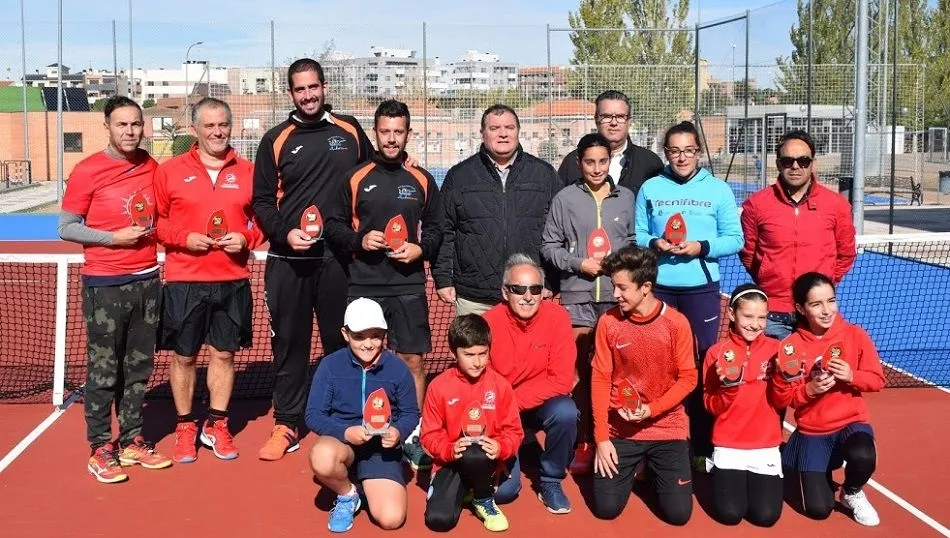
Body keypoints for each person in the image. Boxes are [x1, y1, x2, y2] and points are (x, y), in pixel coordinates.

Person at [252, 58, 373, 461]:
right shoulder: (275, 139)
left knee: (342, 341)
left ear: (324, 87)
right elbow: (263, 203)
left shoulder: (350, 129)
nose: (308, 95)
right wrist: (284, 232)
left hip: (338, 258)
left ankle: (346, 417)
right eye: (300, 89)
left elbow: (371, 178)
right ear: (291, 93)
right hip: (289, 260)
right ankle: (287, 423)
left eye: (313, 87)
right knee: (291, 346)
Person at [325, 99, 443, 470]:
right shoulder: (356, 178)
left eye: (399, 132)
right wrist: (360, 240)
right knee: (366, 360)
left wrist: (420, 249)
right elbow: (333, 226)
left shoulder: (422, 179)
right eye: (385, 131)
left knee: (412, 360)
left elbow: (438, 229)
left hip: (407, 286)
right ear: (375, 133)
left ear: (408, 134)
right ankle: (363, 432)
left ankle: (411, 434)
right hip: (364, 285)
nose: (392, 139)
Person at [58, 95, 171, 483]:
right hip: (105, 284)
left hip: (147, 280)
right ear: (107, 126)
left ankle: (132, 440)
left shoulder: (151, 166)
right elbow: (67, 227)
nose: (130, 131)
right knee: (104, 370)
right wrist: (112, 238)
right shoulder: (88, 171)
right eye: (122, 124)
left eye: (136, 124)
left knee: (139, 368)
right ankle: (100, 448)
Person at [154, 97, 265, 463]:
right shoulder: (169, 171)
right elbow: (156, 222)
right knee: (184, 357)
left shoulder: (249, 171)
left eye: (223, 125)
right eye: (209, 126)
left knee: (224, 354)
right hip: (185, 280)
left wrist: (247, 239)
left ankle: (216, 424)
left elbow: (264, 219)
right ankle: (186, 425)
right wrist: (183, 238)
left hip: (232, 279)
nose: (217, 132)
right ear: (194, 131)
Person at [634, 120, 743, 470]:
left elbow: (735, 239)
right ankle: (655, 443)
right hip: (659, 288)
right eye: (674, 151)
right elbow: (637, 233)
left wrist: (701, 247)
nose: (681, 157)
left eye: (688, 150)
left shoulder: (719, 191)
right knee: (657, 366)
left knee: (699, 367)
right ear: (666, 153)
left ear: (698, 151)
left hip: (701, 290)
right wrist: (655, 243)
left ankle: (700, 446)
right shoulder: (651, 188)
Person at [541, 132, 635, 473]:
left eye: (602, 161)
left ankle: (614, 439)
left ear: (611, 162)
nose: (596, 168)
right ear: (579, 163)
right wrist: (579, 263)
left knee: (618, 371)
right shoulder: (565, 199)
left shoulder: (626, 197)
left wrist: (618, 265)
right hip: (577, 298)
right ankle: (583, 440)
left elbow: (634, 241)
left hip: (617, 298)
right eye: (589, 162)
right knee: (580, 373)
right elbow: (549, 245)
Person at [590, 245, 696, 525]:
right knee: (606, 508)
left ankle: (654, 471)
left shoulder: (677, 324)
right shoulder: (608, 323)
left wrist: (651, 409)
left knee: (678, 515)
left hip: (667, 425)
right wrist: (601, 438)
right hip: (621, 428)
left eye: (622, 288)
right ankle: (639, 467)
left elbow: (689, 378)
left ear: (646, 286)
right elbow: (600, 379)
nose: (615, 294)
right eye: (614, 286)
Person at [770, 272, 885, 527]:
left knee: (863, 455)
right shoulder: (790, 346)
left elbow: (877, 380)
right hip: (813, 431)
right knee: (819, 509)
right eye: (816, 304)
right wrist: (809, 390)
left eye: (831, 301)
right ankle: (795, 453)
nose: (826, 310)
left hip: (850, 424)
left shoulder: (855, 335)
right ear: (800, 308)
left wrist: (852, 375)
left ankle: (851, 491)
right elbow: (782, 399)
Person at [433, 104, 563, 317]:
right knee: (474, 351)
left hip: (528, 295)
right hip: (474, 297)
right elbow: (445, 231)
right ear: (482, 133)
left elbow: (559, 231)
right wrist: (444, 279)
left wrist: (551, 280)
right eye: (494, 128)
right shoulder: (459, 176)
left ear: (518, 132)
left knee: (529, 352)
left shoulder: (544, 175)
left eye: (509, 127)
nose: (503, 134)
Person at [304, 298, 420, 533]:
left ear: (384, 333)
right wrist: (345, 432)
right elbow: (313, 414)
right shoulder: (329, 366)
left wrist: (398, 432)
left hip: (381, 450)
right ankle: (348, 495)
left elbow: (410, 413)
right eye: (359, 336)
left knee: (391, 519)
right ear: (345, 334)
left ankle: (368, 481)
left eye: (375, 335)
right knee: (322, 456)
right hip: (342, 442)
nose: (368, 344)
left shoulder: (397, 368)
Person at [739, 130, 856, 341]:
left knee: (818, 374)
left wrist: (822, 285)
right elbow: (749, 253)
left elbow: (846, 254)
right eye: (788, 160)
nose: (795, 166)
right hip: (773, 314)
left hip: (815, 315)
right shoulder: (756, 205)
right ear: (778, 163)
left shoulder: (836, 205)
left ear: (813, 163)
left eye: (803, 160)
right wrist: (769, 277)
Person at [482, 254, 577, 513]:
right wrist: (505, 408)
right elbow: (484, 382)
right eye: (518, 289)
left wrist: (515, 401)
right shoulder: (489, 322)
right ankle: (521, 446)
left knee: (566, 411)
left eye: (535, 289)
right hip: (501, 411)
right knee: (503, 493)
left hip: (537, 404)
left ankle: (551, 480)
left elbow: (562, 380)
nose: (527, 296)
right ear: (505, 292)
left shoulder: (557, 317)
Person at [421, 314, 524, 532]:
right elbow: (428, 435)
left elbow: (514, 431)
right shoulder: (438, 386)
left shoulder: (501, 386)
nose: (477, 362)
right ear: (453, 353)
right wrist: (449, 449)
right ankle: (467, 487)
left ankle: (483, 499)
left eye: (482, 354)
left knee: (505, 491)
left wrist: (501, 448)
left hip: (486, 458)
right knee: (439, 520)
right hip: (451, 460)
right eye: (468, 355)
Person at [702, 284, 783, 527]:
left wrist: (783, 379)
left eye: (762, 317)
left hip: (765, 445)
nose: (755, 324)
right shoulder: (715, 353)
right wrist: (729, 387)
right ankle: (718, 469)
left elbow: (782, 402)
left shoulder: (776, 350)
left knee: (766, 517)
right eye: (748, 316)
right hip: (729, 445)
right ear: (732, 314)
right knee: (730, 515)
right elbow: (711, 406)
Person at [557, 90, 663, 198]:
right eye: (607, 116)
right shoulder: (572, 163)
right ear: (596, 120)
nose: (613, 123)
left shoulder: (650, 163)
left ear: (629, 122)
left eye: (620, 116)